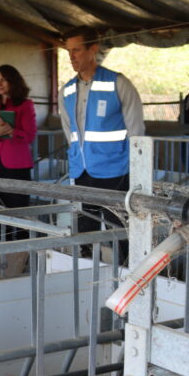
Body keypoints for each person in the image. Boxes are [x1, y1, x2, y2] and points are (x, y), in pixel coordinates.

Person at [59, 26, 144, 260]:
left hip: (115, 171)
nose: (71, 57)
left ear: (92, 49)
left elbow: (136, 132)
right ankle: (87, 275)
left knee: (120, 230)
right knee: (86, 229)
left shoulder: (118, 84)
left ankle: (127, 276)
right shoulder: (66, 91)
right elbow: (69, 132)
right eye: (69, 51)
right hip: (82, 171)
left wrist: (135, 169)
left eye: (76, 50)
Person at [0, 65, 37, 236]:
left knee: (18, 212)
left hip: (17, 166)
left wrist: (11, 130)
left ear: (13, 81)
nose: (0, 84)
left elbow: (30, 136)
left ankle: (18, 255)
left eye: (4, 79)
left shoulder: (26, 105)